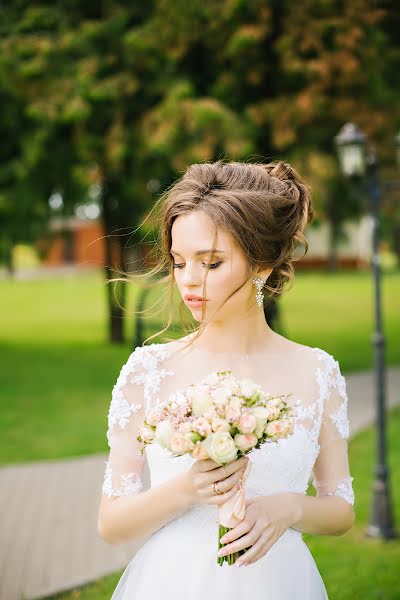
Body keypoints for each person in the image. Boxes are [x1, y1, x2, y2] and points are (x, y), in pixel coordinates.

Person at [97, 160, 355, 599]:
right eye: (179, 263)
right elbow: (111, 524)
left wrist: (290, 508)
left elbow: (341, 509)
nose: (189, 281)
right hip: (173, 582)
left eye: (211, 263)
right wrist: (187, 488)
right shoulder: (149, 371)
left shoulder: (317, 372)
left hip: (280, 582)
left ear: (262, 265)